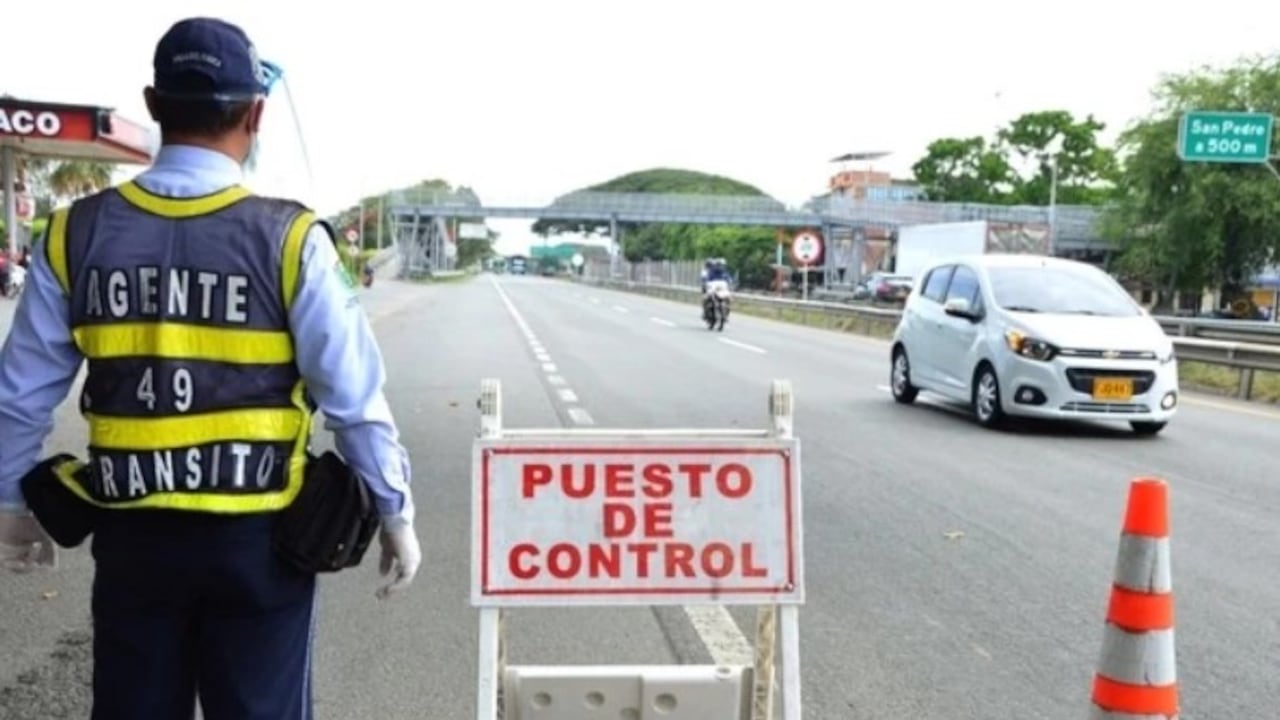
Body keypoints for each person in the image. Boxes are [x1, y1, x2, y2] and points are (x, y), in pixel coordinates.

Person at [0, 17, 421, 720]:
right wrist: (393, 510)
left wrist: (11, 504)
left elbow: (19, 396)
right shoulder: (292, 240)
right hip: (259, 545)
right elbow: (353, 401)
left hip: (133, 539)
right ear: (255, 113)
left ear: (154, 103)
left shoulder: (76, 232)